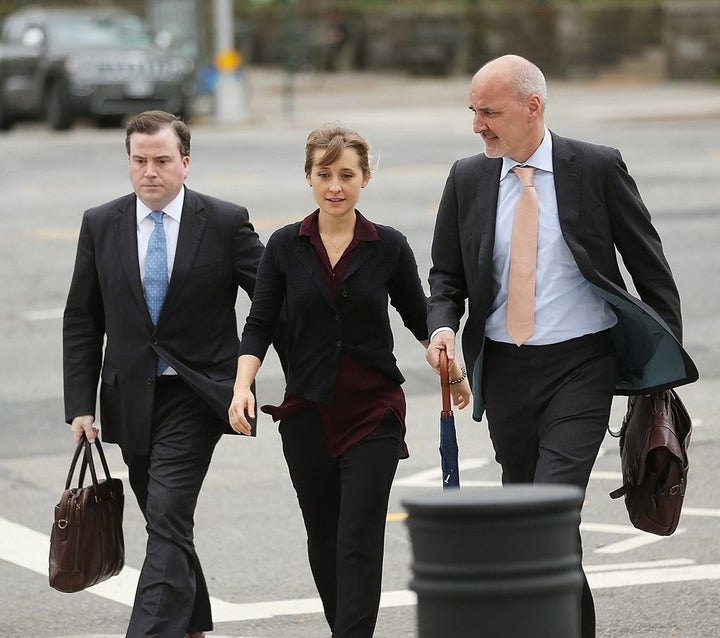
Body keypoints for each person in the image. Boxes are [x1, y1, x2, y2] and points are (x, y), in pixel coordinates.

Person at [425, 55, 698, 638]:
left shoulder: (595, 167)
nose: (478, 126)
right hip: (504, 372)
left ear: (533, 107)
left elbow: (651, 271)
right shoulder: (467, 179)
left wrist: (660, 377)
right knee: (535, 527)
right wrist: (443, 325)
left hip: (580, 367)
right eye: (473, 112)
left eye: (490, 112)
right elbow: (445, 277)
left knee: (548, 515)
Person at [228, 125, 471, 638]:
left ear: (365, 178)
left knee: (359, 537)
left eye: (346, 175)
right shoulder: (283, 247)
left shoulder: (388, 246)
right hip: (306, 412)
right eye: (324, 174)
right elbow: (260, 323)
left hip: (373, 412)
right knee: (324, 537)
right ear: (309, 178)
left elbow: (420, 316)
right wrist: (242, 385)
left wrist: (446, 361)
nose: (335, 186)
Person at [63, 110, 267, 638]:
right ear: (128, 163)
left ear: (185, 164)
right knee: (164, 519)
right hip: (130, 397)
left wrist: (255, 375)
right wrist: (81, 404)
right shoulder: (101, 222)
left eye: (161, 160)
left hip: (198, 393)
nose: (149, 171)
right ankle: (193, 624)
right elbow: (83, 317)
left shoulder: (223, 221)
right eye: (139, 161)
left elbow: (270, 303)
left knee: (169, 509)